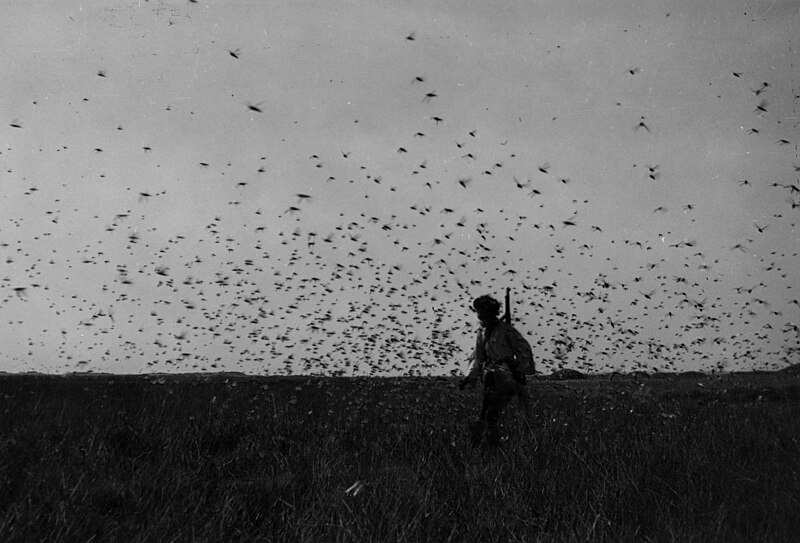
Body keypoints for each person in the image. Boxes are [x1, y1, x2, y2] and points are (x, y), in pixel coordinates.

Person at [460, 294, 530, 446]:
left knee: (492, 410)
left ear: (491, 312)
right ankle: (488, 440)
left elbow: (523, 349)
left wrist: (520, 370)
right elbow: (478, 357)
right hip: (489, 373)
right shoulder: (482, 332)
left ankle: (486, 437)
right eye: (478, 311)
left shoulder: (505, 330)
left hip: (506, 374)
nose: (479, 314)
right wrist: (469, 378)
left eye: (482, 310)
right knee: (490, 409)